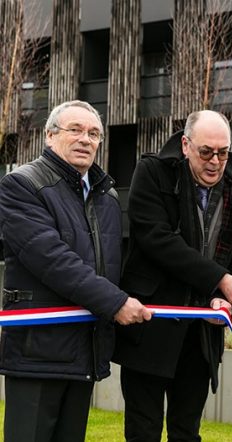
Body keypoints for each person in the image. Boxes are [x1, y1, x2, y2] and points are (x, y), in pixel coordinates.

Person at [0, 100, 152, 442]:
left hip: (84, 350)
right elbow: (53, 260)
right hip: (37, 351)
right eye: (76, 130)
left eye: (94, 133)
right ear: (50, 136)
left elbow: (112, 268)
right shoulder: (21, 185)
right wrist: (116, 303)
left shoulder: (107, 196)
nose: (86, 139)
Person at [112, 110, 232, 442]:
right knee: (143, 430)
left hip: (201, 336)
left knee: (186, 431)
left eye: (224, 152)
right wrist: (221, 279)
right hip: (150, 326)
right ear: (185, 145)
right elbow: (156, 239)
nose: (216, 161)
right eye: (206, 152)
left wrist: (225, 298)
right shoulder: (152, 172)